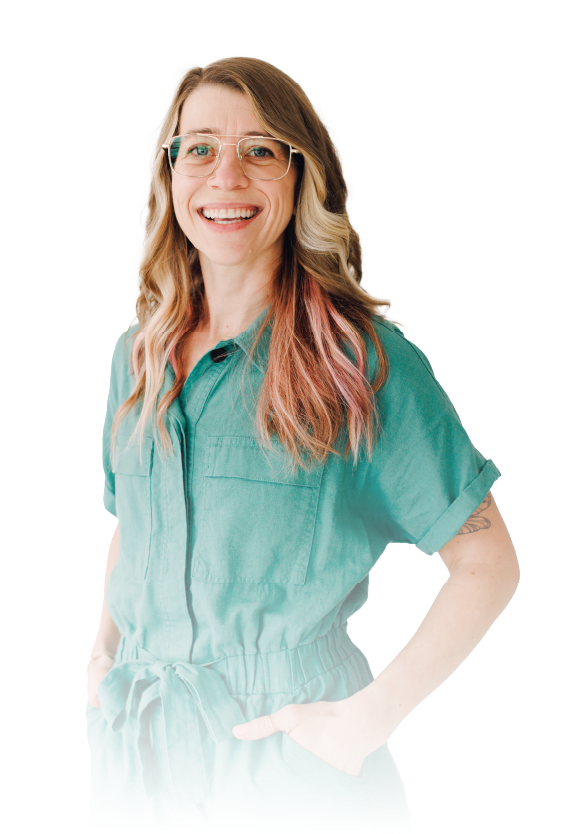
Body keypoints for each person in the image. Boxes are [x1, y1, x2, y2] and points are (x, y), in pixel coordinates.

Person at [85, 55, 520, 834]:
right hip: (137, 754)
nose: (225, 176)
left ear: (300, 176)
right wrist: (102, 655)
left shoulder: (358, 362)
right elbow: (136, 525)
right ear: (170, 174)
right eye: (199, 149)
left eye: (259, 150)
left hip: (288, 768)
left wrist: (365, 723)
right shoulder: (139, 354)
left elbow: (487, 563)